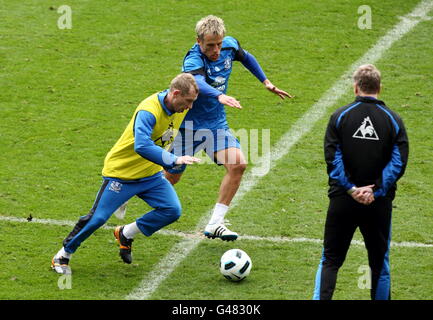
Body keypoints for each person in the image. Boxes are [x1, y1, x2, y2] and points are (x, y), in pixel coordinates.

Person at [51, 73, 200, 274]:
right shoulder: (149, 111)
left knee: (172, 210)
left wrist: (219, 96)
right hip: (122, 174)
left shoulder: (179, 107)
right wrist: (173, 160)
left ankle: (126, 233)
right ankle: (63, 255)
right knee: (97, 218)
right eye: (188, 101)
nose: (190, 107)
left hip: (150, 175)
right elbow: (142, 145)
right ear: (175, 94)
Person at [164, 15, 292, 241]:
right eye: (210, 45)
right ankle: (128, 192)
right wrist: (219, 95)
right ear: (198, 41)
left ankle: (215, 223)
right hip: (188, 126)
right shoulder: (193, 60)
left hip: (215, 124)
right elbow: (199, 84)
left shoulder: (229, 46)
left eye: (219, 44)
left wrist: (266, 82)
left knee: (238, 164)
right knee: (170, 178)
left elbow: (246, 57)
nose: (216, 50)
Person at [312, 64, 409, 300]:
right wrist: (375, 189)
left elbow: (332, 159)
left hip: (343, 200)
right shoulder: (393, 120)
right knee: (379, 265)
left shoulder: (340, 117)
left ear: (355, 87)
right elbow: (398, 163)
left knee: (331, 260)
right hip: (378, 204)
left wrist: (351, 189)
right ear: (380, 88)